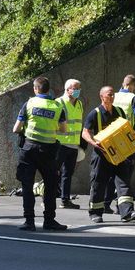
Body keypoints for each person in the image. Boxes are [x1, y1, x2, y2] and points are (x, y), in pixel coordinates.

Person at [11, 76, 69, 232]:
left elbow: (16, 129)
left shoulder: (29, 103)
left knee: (27, 185)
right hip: (49, 151)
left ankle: (29, 221)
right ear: (48, 89)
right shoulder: (57, 106)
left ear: (36, 89)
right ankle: (49, 221)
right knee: (50, 186)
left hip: (29, 149)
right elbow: (64, 129)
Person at [83, 85, 135, 223]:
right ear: (101, 97)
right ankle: (95, 213)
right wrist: (93, 143)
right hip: (101, 154)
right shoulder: (95, 113)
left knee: (123, 181)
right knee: (98, 183)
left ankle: (127, 213)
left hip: (118, 153)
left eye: (113, 95)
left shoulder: (119, 111)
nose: (112, 97)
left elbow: (126, 129)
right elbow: (85, 132)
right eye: (109, 95)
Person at [111, 75, 135, 214]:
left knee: (111, 170)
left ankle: (106, 203)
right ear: (133, 85)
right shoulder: (133, 97)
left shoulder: (113, 96)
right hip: (127, 138)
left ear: (123, 83)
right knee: (126, 171)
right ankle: (121, 205)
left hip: (112, 137)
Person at [55, 78, 84, 209]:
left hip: (73, 144)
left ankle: (65, 200)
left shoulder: (79, 104)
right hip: (60, 143)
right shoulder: (58, 103)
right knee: (54, 172)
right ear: (67, 89)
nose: (78, 91)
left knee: (67, 174)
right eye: (75, 88)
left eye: (79, 88)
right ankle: (47, 197)